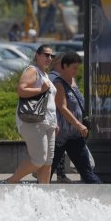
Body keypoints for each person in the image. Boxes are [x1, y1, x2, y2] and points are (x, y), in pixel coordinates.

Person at [6, 45, 57, 184]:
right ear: (37, 55)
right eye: (46, 55)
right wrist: (41, 89)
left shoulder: (45, 74)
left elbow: (50, 101)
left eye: (52, 56)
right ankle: (11, 181)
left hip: (49, 122)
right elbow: (21, 90)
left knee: (47, 163)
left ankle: (44, 195)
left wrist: (55, 123)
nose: (49, 58)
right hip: (33, 120)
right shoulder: (32, 70)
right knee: (39, 159)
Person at [51, 51, 101, 184]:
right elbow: (62, 107)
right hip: (60, 136)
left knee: (88, 173)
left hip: (74, 136)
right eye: (74, 67)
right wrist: (78, 124)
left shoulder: (73, 82)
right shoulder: (58, 83)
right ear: (65, 66)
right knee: (47, 172)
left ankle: (103, 200)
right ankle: (35, 199)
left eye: (77, 68)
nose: (76, 71)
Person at [48, 53, 73, 183]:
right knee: (58, 146)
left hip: (56, 116)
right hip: (57, 116)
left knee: (58, 146)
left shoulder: (52, 76)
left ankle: (54, 173)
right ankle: (57, 174)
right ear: (59, 64)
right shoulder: (55, 78)